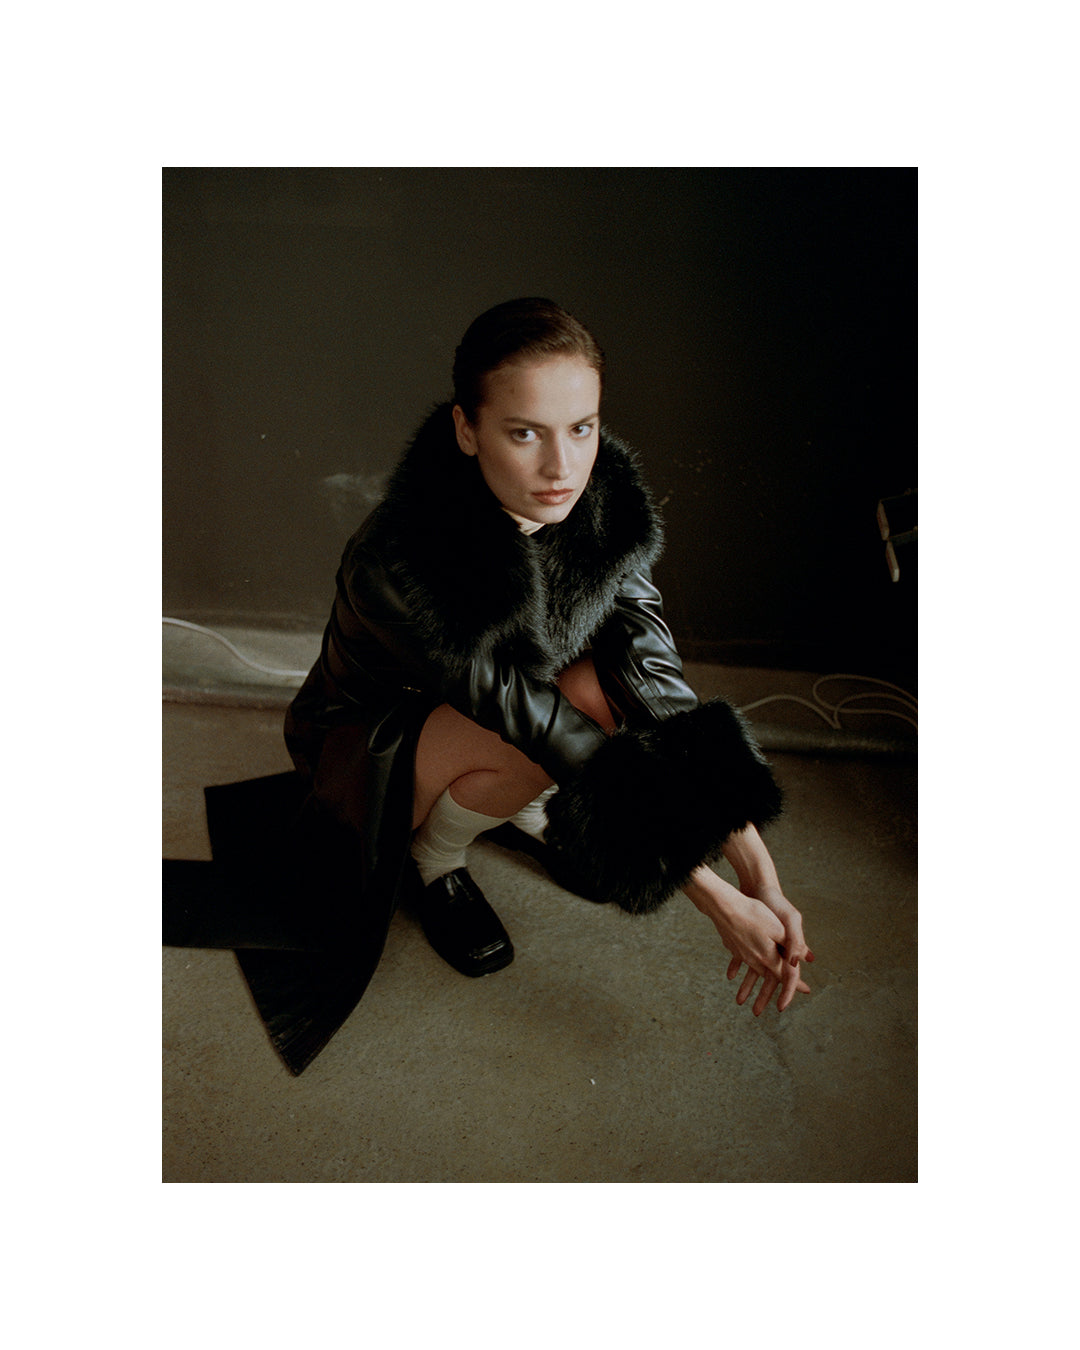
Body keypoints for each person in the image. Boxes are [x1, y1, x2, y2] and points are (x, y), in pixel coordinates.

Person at [272, 297, 813, 1074]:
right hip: (372, 748)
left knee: (609, 687)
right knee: (550, 728)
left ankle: (522, 802)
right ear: (467, 430)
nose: (562, 468)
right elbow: (533, 720)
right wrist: (714, 897)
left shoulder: (603, 507)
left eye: (581, 428)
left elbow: (656, 686)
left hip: (510, 720)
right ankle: (435, 859)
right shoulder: (401, 562)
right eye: (524, 433)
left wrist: (762, 875)